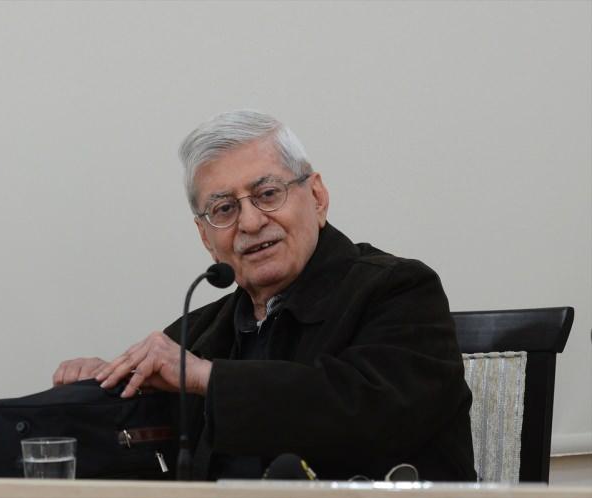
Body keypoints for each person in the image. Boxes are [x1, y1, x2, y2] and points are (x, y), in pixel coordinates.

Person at [53, 110, 476, 481]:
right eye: (224, 209)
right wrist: (102, 394)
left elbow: (367, 413)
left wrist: (208, 379)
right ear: (205, 236)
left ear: (317, 197)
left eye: (268, 194)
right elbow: (148, 449)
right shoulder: (197, 334)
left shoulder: (400, 290)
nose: (251, 222)